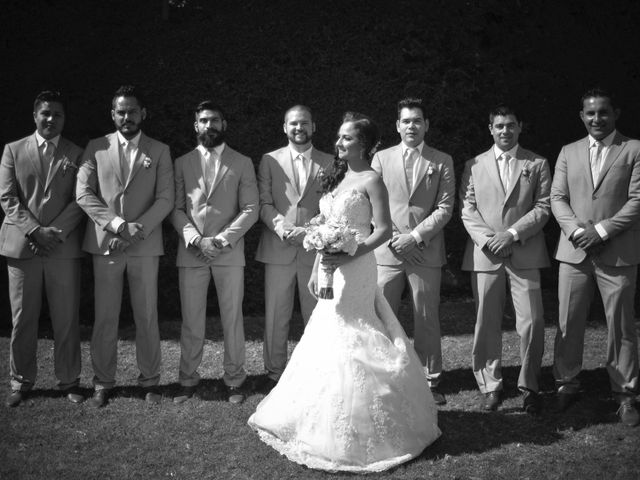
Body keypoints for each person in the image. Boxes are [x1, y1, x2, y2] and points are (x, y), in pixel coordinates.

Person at [248, 112, 440, 473]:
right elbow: (328, 220)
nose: (339, 144)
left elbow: (382, 230)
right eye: (338, 138)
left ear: (364, 144)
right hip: (330, 264)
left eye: (347, 139)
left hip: (358, 267)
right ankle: (316, 415)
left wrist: (351, 252)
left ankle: (366, 423)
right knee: (326, 331)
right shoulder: (335, 177)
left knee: (353, 330)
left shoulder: (371, 180)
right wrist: (321, 250)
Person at [76, 85, 174, 407]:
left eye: (133, 111)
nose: (127, 117)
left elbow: (166, 198)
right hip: (107, 245)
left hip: (144, 246)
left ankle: (150, 380)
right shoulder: (95, 147)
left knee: (147, 314)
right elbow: (83, 193)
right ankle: (103, 381)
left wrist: (138, 228)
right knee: (105, 316)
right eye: (121, 111)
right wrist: (118, 225)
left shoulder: (159, 150)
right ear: (113, 114)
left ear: (142, 114)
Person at [551, 88, 640, 427]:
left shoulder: (633, 149)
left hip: (617, 251)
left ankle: (626, 393)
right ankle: (566, 382)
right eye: (590, 113)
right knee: (567, 320)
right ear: (581, 116)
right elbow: (557, 198)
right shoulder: (568, 151)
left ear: (615, 113)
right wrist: (578, 232)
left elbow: (636, 200)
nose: (597, 119)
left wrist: (601, 231)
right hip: (574, 252)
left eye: (603, 112)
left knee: (620, 324)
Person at [460, 105, 551, 413]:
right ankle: (490, 384)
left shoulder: (537, 163)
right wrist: (490, 240)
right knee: (486, 322)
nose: (505, 130)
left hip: (524, 251)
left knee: (533, 322)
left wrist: (511, 234)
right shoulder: (474, 164)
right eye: (499, 126)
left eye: (510, 125)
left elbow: (543, 206)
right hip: (486, 255)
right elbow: (467, 208)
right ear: (490, 129)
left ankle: (530, 386)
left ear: (519, 127)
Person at [0, 90, 85, 407]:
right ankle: (21, 381)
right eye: (45, 113)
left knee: (66, 317)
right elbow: (8, 198)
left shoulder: (76, 153)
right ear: (35, 115)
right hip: (23, 247)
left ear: (64, 118)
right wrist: (36, 230)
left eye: (58, 114)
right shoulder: (13, 150)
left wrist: (56, 232)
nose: (51, 119)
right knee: (23, 319)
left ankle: (69, 380)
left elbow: (81, 199)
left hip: (62, 248)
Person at [171, 101, 258, 405]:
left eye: (215, 120)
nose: (210, 125)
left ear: (225, 124)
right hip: (192, 253)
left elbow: (251, 208)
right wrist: (197, 240)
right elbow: (177, 208)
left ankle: (235, 379)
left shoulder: (243, 162)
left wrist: (220, 240)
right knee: (191, 319)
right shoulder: (181, 162)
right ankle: (187, 379)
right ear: (196, 126)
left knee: (232, 318)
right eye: (204, 121)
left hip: (229, 253)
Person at [371, 97, 454, 405]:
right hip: (387, 251)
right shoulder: (380, 158)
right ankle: (386, 376)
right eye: (406, 121)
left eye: (417, 120)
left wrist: (415, 237)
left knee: (426, 316)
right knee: (382, 315)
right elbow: (372, 203)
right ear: (397, 125)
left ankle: (430, 380)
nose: (411, 126)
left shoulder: (441, 160)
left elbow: (445, 208)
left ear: (426, 125)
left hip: (425, 251)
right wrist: (395, 238)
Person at [254, 105, 333, 391]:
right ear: (284, 127)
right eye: (293, 124)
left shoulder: (330, 161)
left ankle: (317, 371)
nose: (299, 128)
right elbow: (263, 202)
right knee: (276, 313)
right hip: (278, 246)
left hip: (315, 252)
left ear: (314, 127)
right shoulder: (268, 160)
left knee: (318, 314)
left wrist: (310, 231)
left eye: (304, 124)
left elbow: (332, 205)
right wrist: (283, 228)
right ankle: (274, 372)